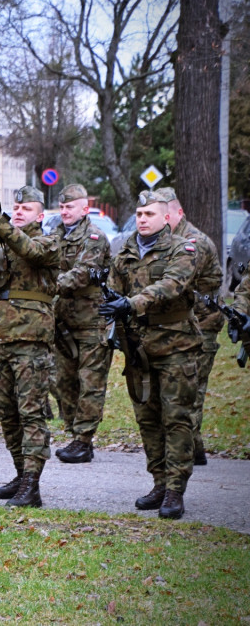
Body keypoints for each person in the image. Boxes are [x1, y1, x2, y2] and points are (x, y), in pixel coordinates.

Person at [101, 190, 201, 519]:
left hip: (176, 345)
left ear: (166, 217)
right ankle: (159, 482)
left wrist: (131, 303)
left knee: (176, 419)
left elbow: (172, 285)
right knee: (148, 420)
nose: (142, 220)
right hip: (139, 347)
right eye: (139, 214)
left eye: (150, 215)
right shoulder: (125, 250)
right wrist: (111, 310)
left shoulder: (183, 248)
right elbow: (114, 290)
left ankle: (175, 490)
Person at [0, 185, 59, 508]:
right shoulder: (2, 245)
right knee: (7, 414)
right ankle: (21, 473)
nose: (19, 212)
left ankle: (32, 484)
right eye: (16, 208)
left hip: (31, 341)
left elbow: (30, 250)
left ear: (40, 214)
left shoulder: (49, 241)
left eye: (26, 209)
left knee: (31, 412)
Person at [159, 187, 223, 466]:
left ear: (178, 213)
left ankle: (184, 455)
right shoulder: (169, 239)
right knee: (183, 393)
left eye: (165, 215)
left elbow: (175, 284)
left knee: (191, 393)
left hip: (202, 325)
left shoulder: (193, 242)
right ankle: (193, 451)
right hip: (183, 325)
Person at [53, 184, 112, 464]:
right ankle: (71, 432)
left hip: (92, 320)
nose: (64, 211)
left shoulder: (95, 237)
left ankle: (84, 440)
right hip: (63, 320)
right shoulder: (55, 235)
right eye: (62, 207)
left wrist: (44, 287)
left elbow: (79, 275)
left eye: (70, 207)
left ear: (84, 209)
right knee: (63, 379)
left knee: (90, 381)